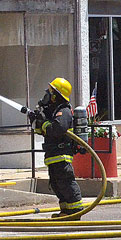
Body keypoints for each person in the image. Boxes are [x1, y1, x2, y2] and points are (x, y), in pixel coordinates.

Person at [32, 77, 83, 219]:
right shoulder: (53, 111)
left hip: (61, 154)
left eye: (51, 91)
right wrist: (37, 121)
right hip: (53, 154)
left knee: (65, 182)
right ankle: (66, 211)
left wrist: (43, 124)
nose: (47, 93)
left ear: (56, 95)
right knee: (56, 184)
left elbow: (57, 129)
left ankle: (76, 210)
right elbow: (44, 131)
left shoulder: (64, 111)